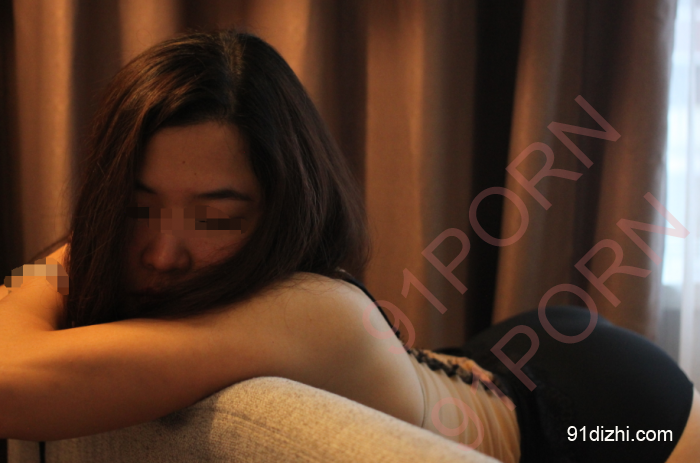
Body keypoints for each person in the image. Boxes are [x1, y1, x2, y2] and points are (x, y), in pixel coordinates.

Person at [0, 27, 698, 463]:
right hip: (484, 363)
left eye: (215, 217)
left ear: (281, 214)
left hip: (599, 414)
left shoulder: (310, 310)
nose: (163, 253)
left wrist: (64, 261)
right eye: (136, 207)